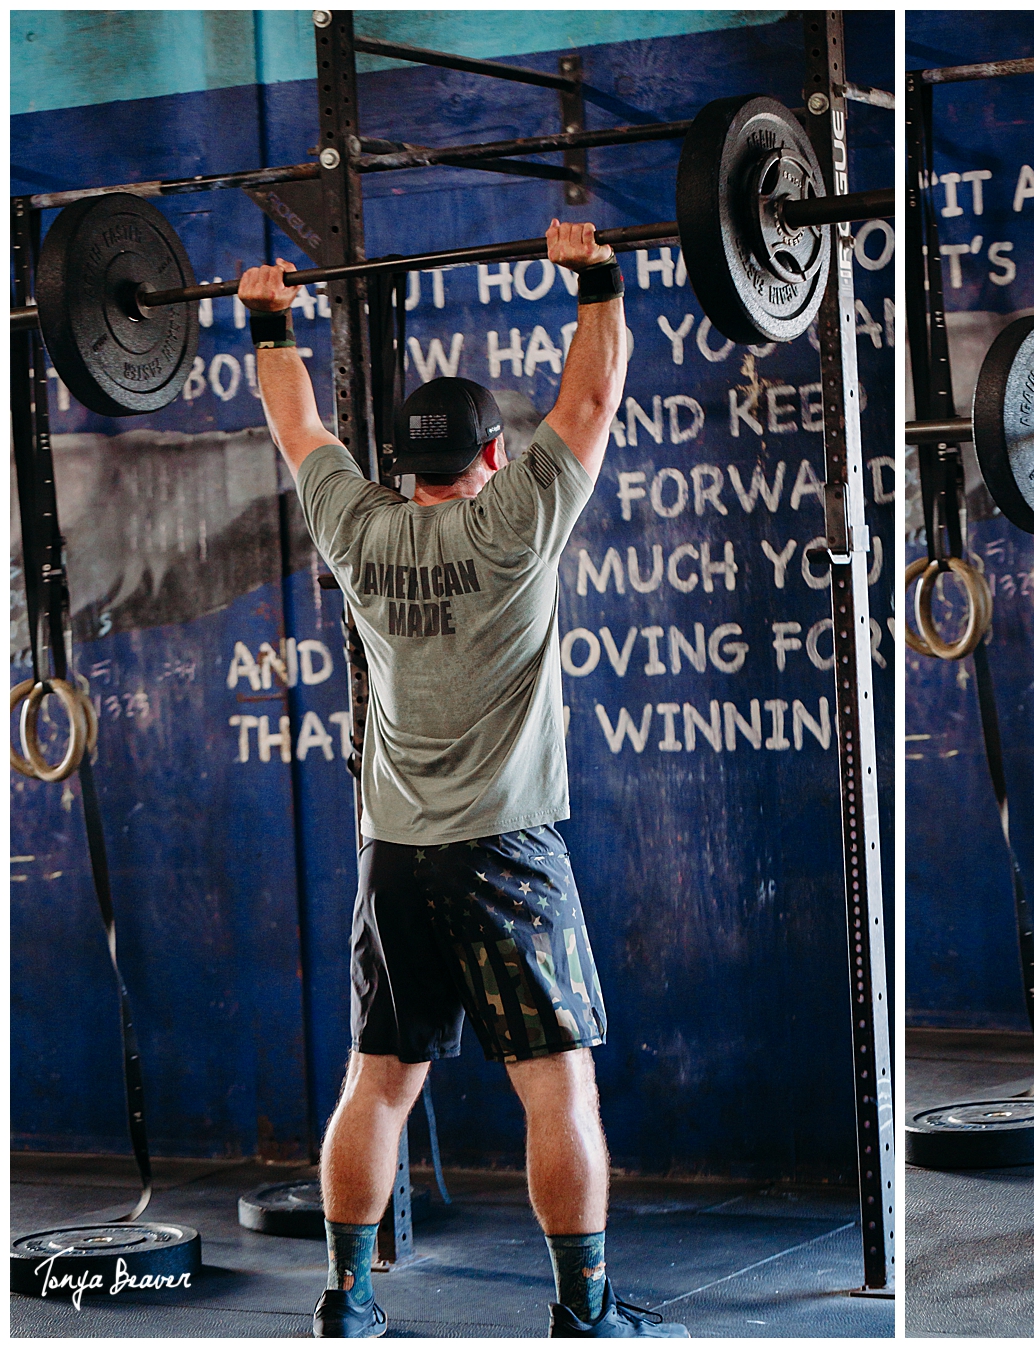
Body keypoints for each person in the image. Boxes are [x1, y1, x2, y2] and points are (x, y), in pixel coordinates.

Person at [242, 220, 685, 1337]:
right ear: (490, 458)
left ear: (404, 467)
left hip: (393, 854)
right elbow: (591, 401)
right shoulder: (515, 522)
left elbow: (296, 423)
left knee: (378, 1079)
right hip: (506, 849)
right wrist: (596, 279)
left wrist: (267, 315)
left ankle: (349, 1301)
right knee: (557, 1083)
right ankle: (586, 1313)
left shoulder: (358, 527)